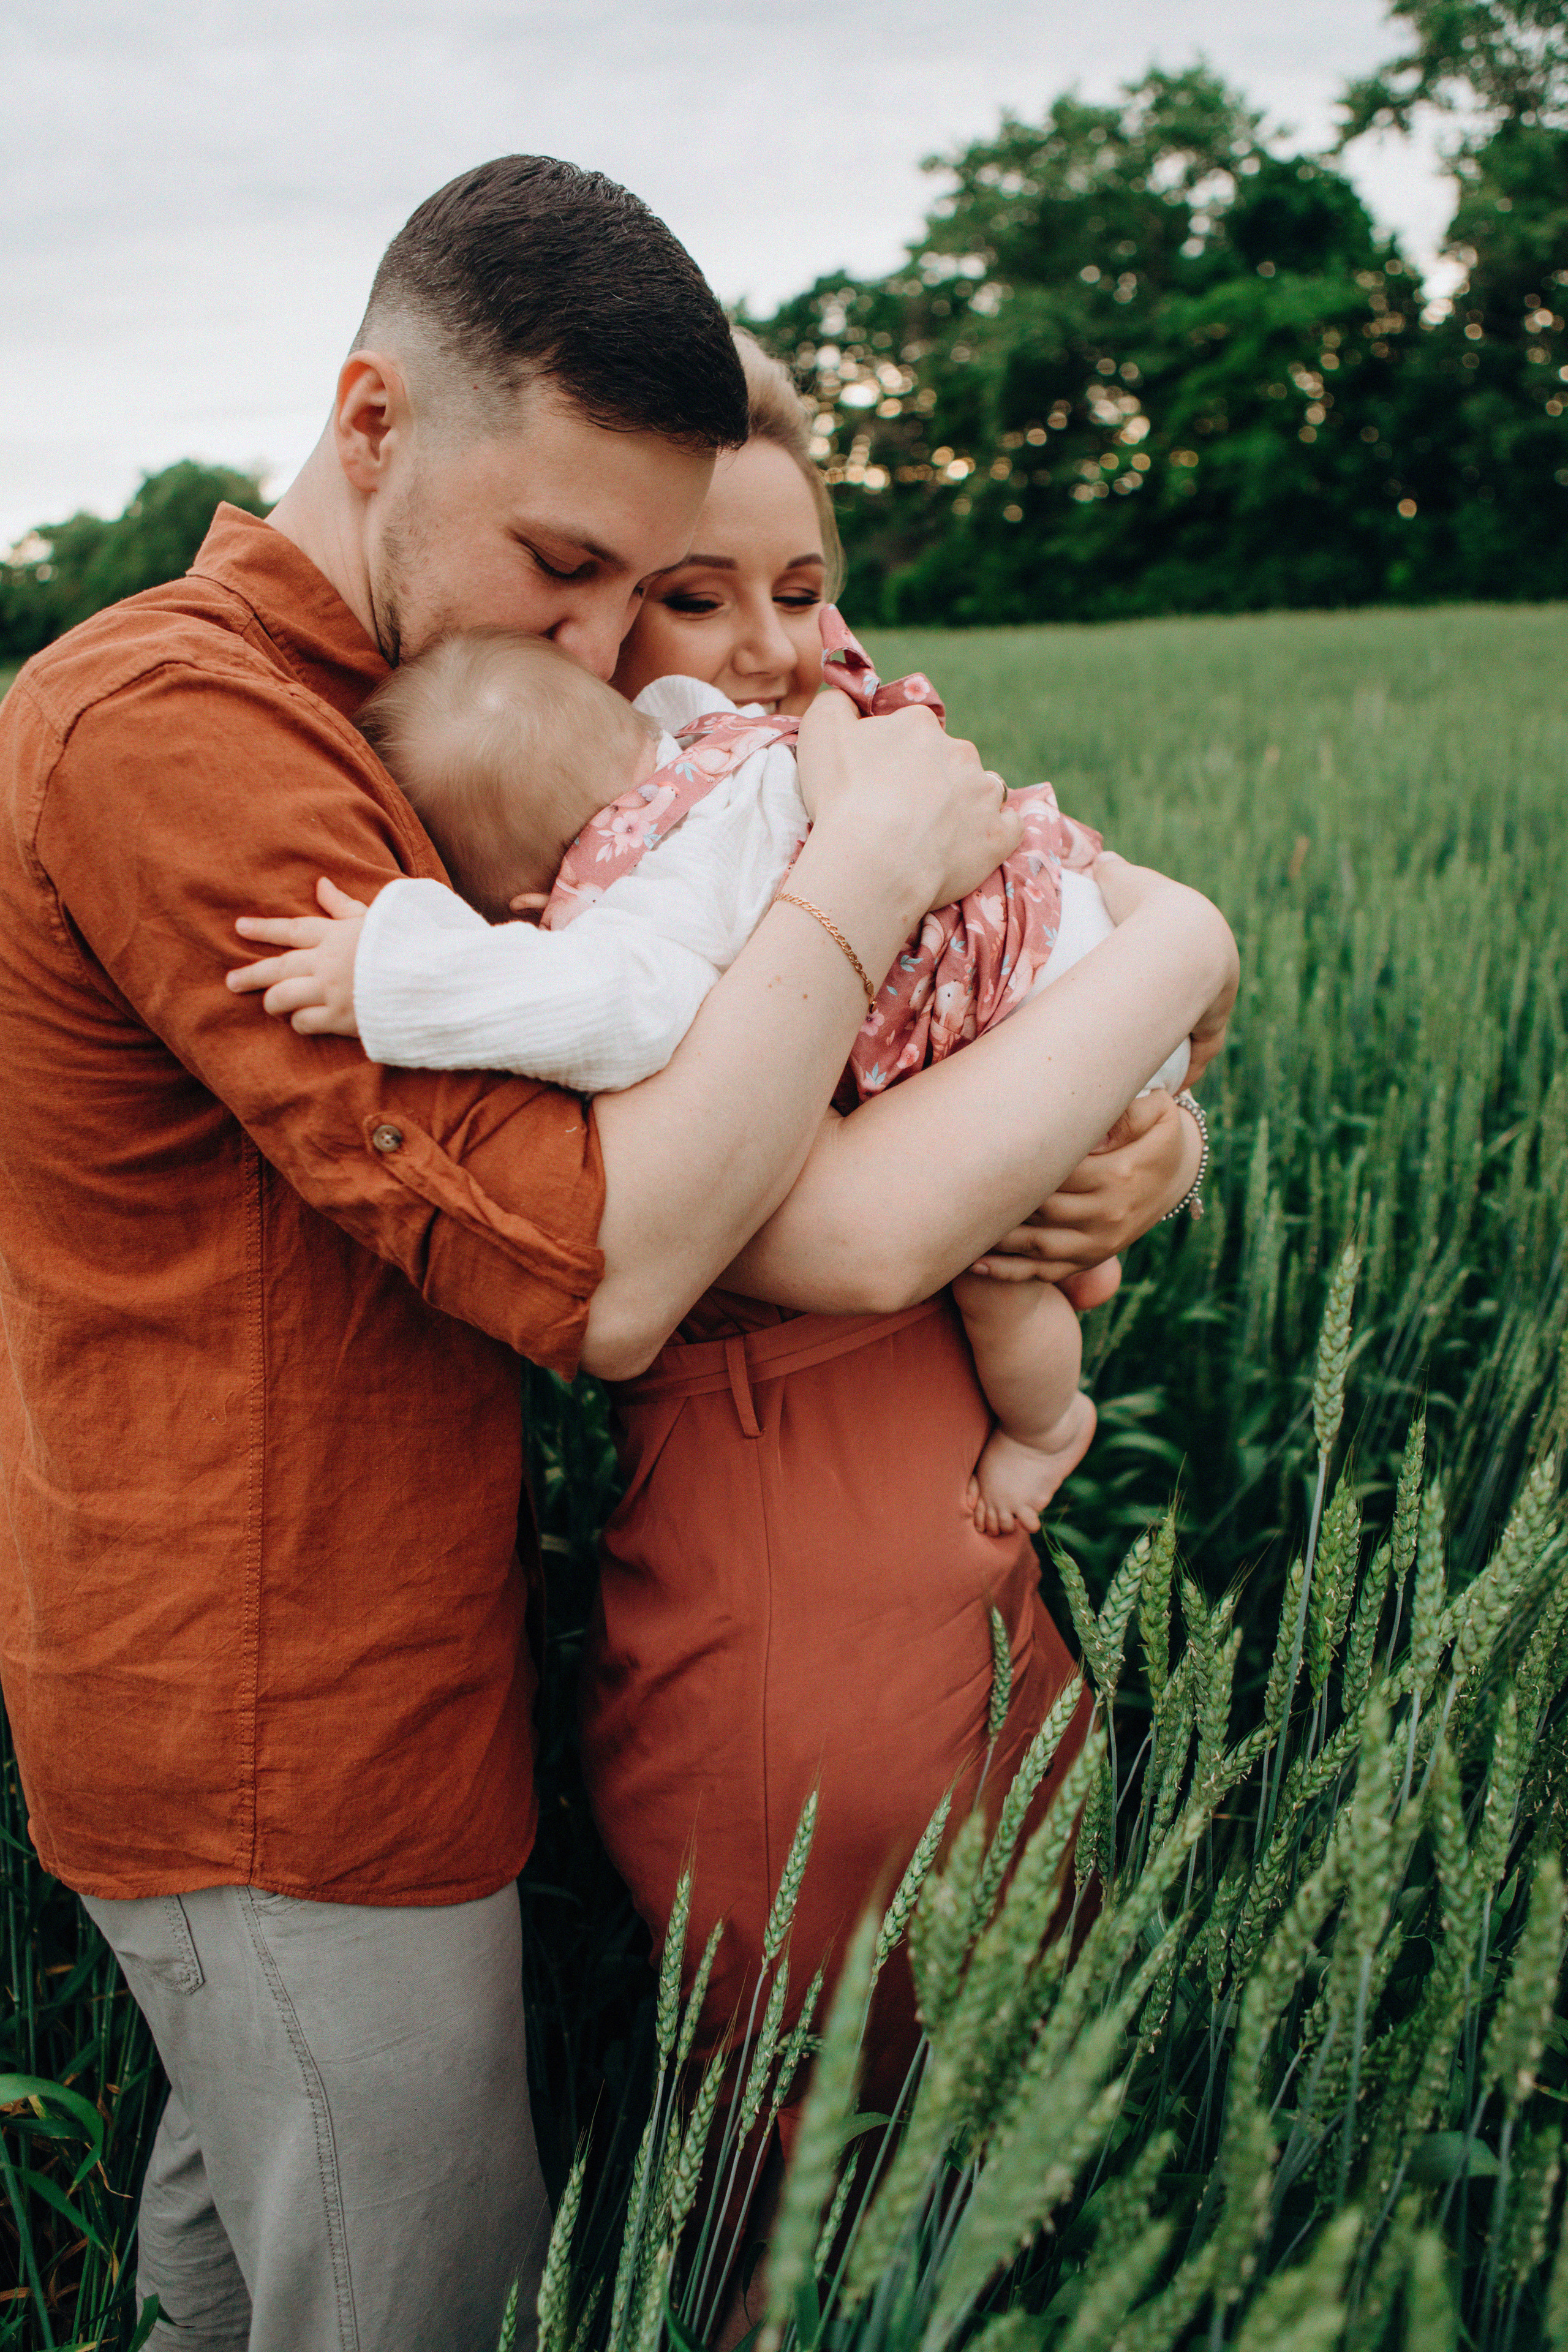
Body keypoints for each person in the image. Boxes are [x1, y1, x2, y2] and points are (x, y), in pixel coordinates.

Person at [0, 162, 1047, 2352]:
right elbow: (602, 1263)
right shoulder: (176, 729)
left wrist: (1086, 1134)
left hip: (394, 1682)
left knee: (240, 2280)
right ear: (371, 423)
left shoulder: (395, 701)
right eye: (562, 566)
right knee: (415, 2309)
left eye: (631, 589)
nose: (591, 650)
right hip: (286, 1737)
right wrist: (854, 877)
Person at [219, 319, 1235, 2312]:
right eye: (698, 597)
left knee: (1003, 2105)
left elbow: (1114, 959)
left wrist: (1154, 1133)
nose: (784, 651)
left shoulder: (815, 804)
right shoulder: (637, 914)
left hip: (970, 1580)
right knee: (820, 2185)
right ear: (584, 639)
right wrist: (1174, 959)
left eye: (809, 584)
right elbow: (866, 1233)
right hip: (796, 1626)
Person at [229, 617, 1192, 1537]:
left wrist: (393, 969)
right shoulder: (724, 740)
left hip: (1040, 1013)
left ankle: (1050, 1425)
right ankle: (1086, 1232)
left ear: (526, 905)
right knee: (1048, 1216)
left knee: (999, 1278)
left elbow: (612, 1005)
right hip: (1084, 931)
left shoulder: (640, 886)